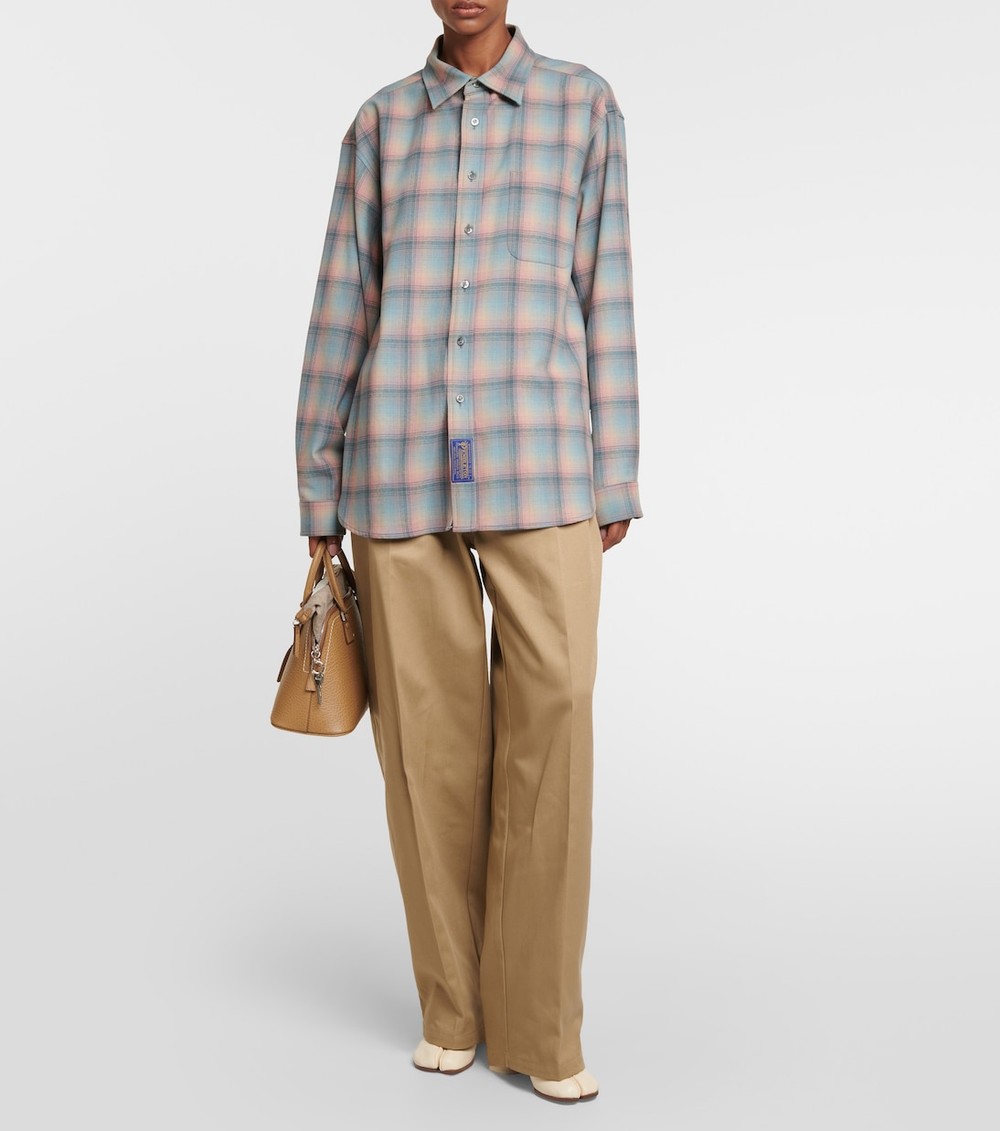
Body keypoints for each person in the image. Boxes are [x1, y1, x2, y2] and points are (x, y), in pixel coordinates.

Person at [294, 0, 641, 1105]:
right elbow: (342, 305)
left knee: (555, 725)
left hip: (545, 464)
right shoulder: (380, 125)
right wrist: (317, 482)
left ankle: (539, 1026)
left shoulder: (583, 107)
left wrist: (618, 471)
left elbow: (607, 295)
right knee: (428, 751)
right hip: (395, 466)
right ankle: (451, 1006)